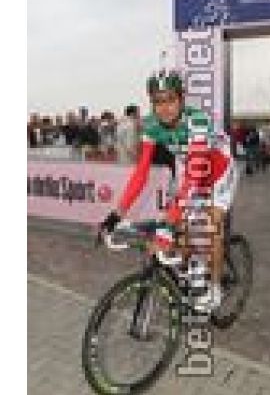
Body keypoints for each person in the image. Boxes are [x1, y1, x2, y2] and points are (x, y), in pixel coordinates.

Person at [99, 69, 238, 311]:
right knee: (180, 228)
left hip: (218, 172)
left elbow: (195, 178)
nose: (164, 108)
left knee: (210, 226)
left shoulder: (197, 121)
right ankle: (194, 269)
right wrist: (116, 214)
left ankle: (215, 288)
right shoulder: (151, 125)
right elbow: (141, 174)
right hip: (190, 169)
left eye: (170, 100)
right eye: (158, 102)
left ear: (182, 99)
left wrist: (169, 225)